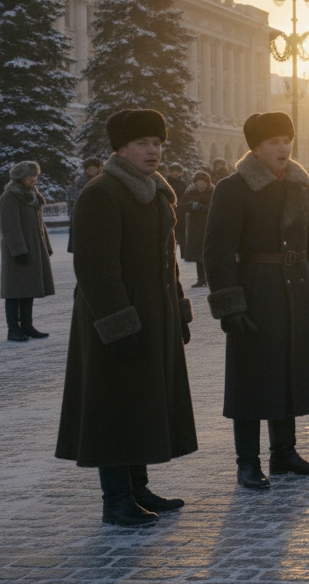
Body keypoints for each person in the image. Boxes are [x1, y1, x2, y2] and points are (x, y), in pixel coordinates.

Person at [56, 109, 196, 526]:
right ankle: (116, 500)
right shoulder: (102, 193)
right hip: (114, 315)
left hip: (153, 312)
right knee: (116, 404)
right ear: (121, 148)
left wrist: (179, 308)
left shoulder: (155, 192)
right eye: (142, 143)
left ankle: (138, 487)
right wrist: (119, 324)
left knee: (143, 401)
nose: (152, 151)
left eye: (157, 143)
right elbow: (96, 268)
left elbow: (167, 260)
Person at [203, 111, 309, 489]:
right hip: (256, 288)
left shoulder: (298, 184)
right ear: (256, 148)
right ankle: (247, 462)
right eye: (274, 141)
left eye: (286, 139)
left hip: (296, 286)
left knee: (289, 370)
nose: (283, 147)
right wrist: (229, 304)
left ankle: (284, 454)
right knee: (251, 377)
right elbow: (217, 251)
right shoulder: (233, 187)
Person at [3, 161, 55, 341]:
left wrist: (46, 246)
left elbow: (40, 225)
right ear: (20, 177)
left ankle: (26, 325)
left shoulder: (32, 196)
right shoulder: (10, 197)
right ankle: (13, 329)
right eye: (29, 176)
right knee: (15, 290)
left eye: (35, 175)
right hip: (18, 251)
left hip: (33, 248)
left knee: (28, 288)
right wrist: (18, 250)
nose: (34, 179)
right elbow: (10, 226)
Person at [178, 171, 213, 288]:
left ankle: (210, 278)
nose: (201, 185)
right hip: (194, 227)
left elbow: (215, 208)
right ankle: (201, 279)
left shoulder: (212, 193)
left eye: (203, 183)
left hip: (208, 227)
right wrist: (191, 205)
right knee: (199, 255)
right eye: (198, 183)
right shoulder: (190, 193)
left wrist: (201, 207)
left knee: (208, 254)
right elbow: (182, 206)